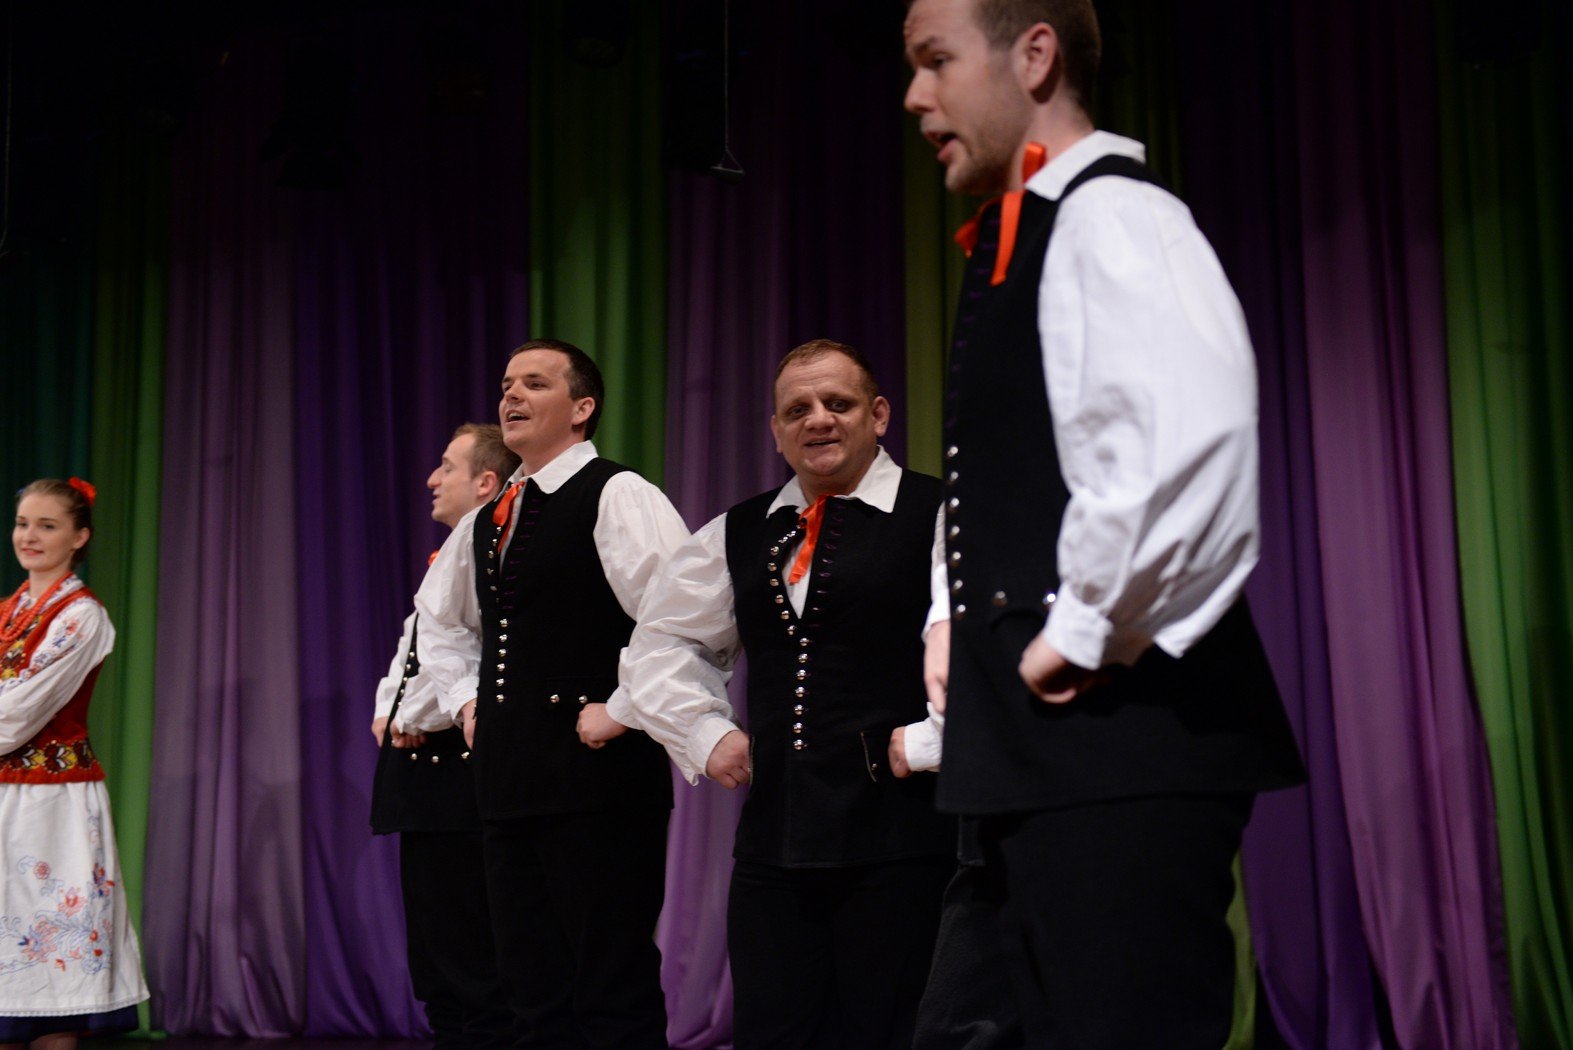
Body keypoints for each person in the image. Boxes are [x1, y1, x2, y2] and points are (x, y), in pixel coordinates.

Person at [901, 1, 1306, 1046]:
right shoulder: (1027, 234)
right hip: (1036, 758)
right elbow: (1015, 473)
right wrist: (954, 614)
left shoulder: (1112, 215)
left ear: (1033, 55)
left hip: (1118, 748)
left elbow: (1187, 440)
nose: (914, 96)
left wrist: (1082, 628)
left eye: (936, 61)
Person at [607, 340, 951, 1049]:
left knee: (895, 1031)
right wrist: (705, 732)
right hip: (775, 843)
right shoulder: (739, 530)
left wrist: (932, 740)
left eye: (838, 403)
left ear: (878, 415)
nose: (817, 419)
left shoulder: (937, 513)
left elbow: (991, 649)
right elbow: (662, 643)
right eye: (797, 410)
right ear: (775, 430)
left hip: (907, 839)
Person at [416, 339, 689, 1049]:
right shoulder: (490, 516)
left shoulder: (617, 494)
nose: (511, 395)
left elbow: (682, 616)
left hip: (599, 783)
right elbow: (439, 622)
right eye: (507, 384)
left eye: (535, 384)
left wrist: (622, 709)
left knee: (610, 987)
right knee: (531, 992)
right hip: (507, 784)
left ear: (581, 408)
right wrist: (467, 702)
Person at [368, 424, 519, 1048]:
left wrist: (413, 717)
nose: (432, 479)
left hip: (460, 774)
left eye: (447, 467)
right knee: (435, 956)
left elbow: (467, 657)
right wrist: (389, 710)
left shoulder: (495, 555)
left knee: (470, 954)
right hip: (425, 780)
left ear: (486, 482)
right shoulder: (451, 557)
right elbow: (413, 647)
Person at [0, 479, 149, 1049]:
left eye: (47, 525)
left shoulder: (81, 617)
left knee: (52, 984)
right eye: (23, 523)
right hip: (8, 794)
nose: (30, 536)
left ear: (79, 537)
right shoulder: (9, 612)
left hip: (50, 804)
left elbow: (19, 713)